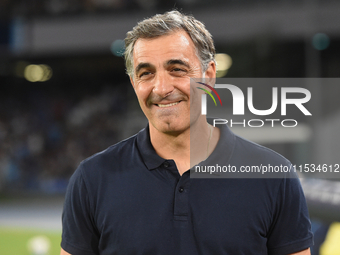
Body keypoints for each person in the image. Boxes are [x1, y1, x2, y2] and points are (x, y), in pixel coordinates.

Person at [60, 10, 313, 255]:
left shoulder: (274, 177)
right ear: (134, 84)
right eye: (146, 73)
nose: (161, 87)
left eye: (177, 69)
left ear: (209, 76)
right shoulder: (92, 179)